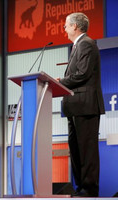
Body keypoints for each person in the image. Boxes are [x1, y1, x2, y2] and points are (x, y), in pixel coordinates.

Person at [57, 12, 105, 197]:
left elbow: (83, 74)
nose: (64, 28)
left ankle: (89, 190)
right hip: (75, 106)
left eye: (66, 25)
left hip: (85, 106)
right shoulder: (78, 46)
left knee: (86, 151)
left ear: (75, 26)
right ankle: (81, 189)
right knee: (76, 150)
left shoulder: (86, 44)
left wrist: (60, 81)